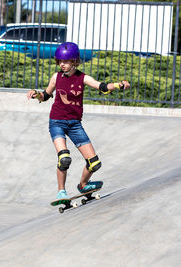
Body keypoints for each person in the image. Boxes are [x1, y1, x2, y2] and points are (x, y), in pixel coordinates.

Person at [27, 42, 130, 200]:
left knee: (94, 163)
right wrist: (36, 94)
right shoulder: (56, 77)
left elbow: (102, 86)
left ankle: (83, 185)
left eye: (66, 61)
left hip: (75, 124)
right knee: (64, 158)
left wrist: (117, 85)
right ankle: (61, 191)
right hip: (57, 122)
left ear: (74, 61)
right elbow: (46, 95)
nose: (62, 64)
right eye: (60, 61)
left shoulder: (83, 78)